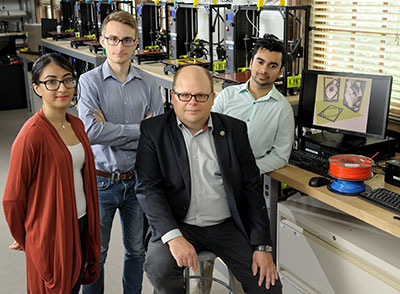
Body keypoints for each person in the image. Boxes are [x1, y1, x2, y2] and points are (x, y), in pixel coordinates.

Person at [135, 65, 282, 294]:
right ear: (173, 97)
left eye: (201, 95)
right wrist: (173, 237)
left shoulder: (234, 130)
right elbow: (147, 189)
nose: (192, 102)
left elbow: (251, 188)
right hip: (179, 224)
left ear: (213, 98)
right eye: (184, 95)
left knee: (268, 285)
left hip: (227, 226)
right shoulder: (154, 131)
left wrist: (263, 246)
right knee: (159, 267)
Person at [192, 34, 295, 294]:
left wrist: (247, 169)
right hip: (210, 186)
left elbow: (281, 155)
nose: (264, 70)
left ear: (281, 71)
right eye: (260, 61)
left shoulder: (282, 109)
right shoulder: (226, 97)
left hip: (245, 192)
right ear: (250, 62)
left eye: (273, 65)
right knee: (201, 265)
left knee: (245, 263)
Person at [77, 10, 164, 294]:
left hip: (138, 182)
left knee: (137, 252)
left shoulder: (151, 84)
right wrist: (139, 129)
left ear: (136, 44)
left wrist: (113, 130)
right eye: (113, 39)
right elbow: (90, 133)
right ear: (102, 41)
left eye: (127, 40)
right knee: (96, 255)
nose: (120, 46)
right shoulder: (89, 82)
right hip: (101, 181)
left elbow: (156, 135)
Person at [2, 53, 100, 294]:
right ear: (37, 88)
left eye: (67, 80)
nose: (62, 88)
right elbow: (12, 198)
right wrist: (26, 236)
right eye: (51, 82)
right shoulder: (32, 135)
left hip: (80, 222)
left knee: (75, 281)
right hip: (52, 230)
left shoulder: (76, 124)